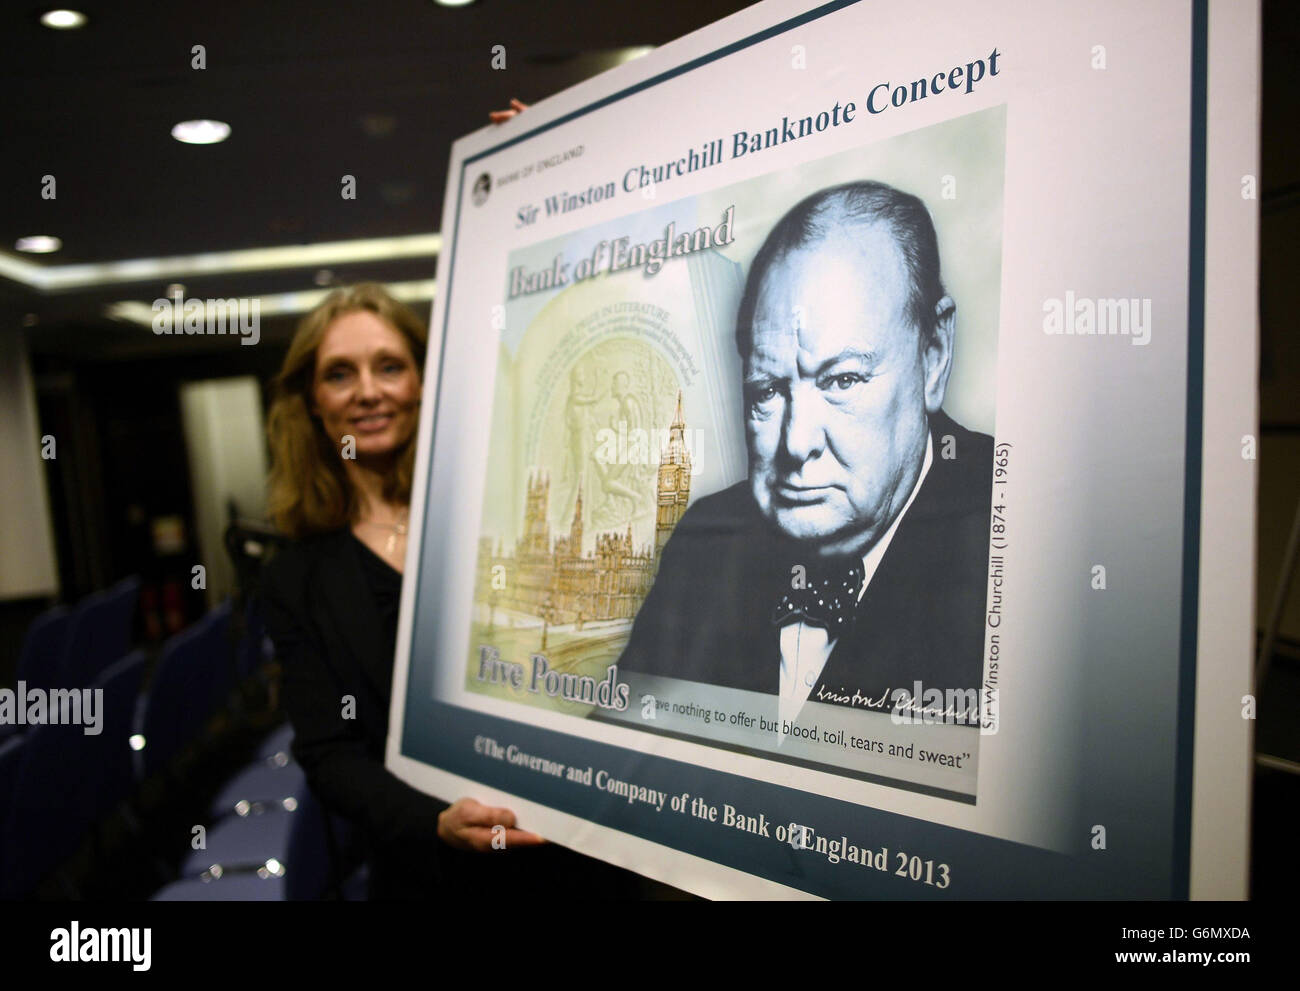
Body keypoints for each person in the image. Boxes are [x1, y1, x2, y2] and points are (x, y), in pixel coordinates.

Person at [618, 181, 993, 723]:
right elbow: (623, 759)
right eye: (767, 391)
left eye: (842, 380)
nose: (796, 443)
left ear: (932, 355)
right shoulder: (705, 543)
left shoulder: (1023, 539)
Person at [261, 284, 552, 898]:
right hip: (428, 869)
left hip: (563, 847)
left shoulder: (491, 510)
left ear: (423, 381)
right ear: (312, 401)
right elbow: (329, 753)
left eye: (389, 366)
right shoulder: (294, 579)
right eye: (340, 374)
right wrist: (433, 822)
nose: (369, 391)